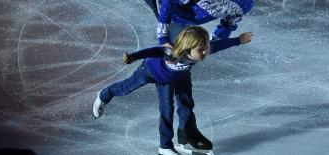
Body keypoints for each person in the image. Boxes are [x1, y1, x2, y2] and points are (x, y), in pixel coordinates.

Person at [39, 0, 261, 149]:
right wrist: (163, 37)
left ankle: (186, 132)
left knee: (181, 68)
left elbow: (227, 25)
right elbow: (169, 2)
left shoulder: (245, 1)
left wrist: (209, 46)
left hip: (179, 21)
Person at [92, 26, 252, 155]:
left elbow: (219, 45)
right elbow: (152, 51)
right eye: (201, 50)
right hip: (149, 72)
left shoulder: (204, 49)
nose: (205, 53)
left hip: (174, 78)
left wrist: (239, 40)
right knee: (125, 88)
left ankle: (170, 145)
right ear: (188, 48)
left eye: (206, 49)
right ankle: (104, 94)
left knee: (171, 109)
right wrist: (134, 56)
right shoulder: (171, 52)